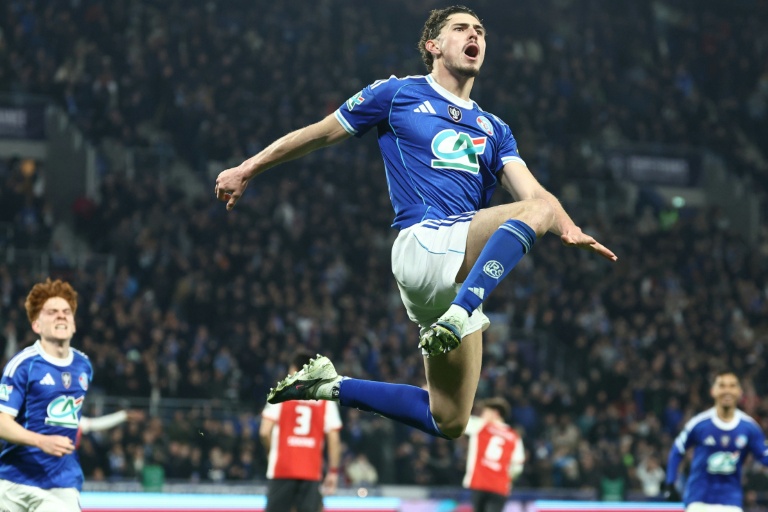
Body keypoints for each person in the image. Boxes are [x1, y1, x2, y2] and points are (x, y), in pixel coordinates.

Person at [216, 5, 616, 440]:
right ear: (434, 46)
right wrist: (248, 168)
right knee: (537, 210)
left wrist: (568, 228)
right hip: (424, 242)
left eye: (480, 31)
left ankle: (329, 385)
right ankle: (459, 313)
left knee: (450, 420)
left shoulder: (495, 129)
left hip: (454, 271)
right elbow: (319, 133)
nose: (474, 35)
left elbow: (532, 191)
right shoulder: (397, 93)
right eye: (461, 28)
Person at [0, 278, 93, 512]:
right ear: (36, 325)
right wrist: (41, 441)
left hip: (60, 484)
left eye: (66, 312)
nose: (61, 316)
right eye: (52, 312)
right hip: (13, 482)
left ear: (73, 325)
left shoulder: (84, 366)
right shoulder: (23, 365)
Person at [663, 371, 768, 511]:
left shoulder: (749, 427)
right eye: (722, 385)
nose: (727, 390)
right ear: (713, 391)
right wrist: (670, 483)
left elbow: (764, 456)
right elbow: (677, 450)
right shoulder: (699, 424)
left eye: (732, 386)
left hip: (730, 501)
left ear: (739, 392)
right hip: (698, 500)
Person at [259, 351, 342, 512]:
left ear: (295, 370)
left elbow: (264, 431)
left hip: (282, 470)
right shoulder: (324, 398)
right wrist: (333, 471)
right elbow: (334, 438)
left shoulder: (281, 393)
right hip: (311, 472)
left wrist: (271, 452)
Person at [463, 398, 524, 512]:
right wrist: (507, 479)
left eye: (485, 412)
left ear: (495, 413)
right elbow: (518, 467)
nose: (482, 415)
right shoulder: (514, 436)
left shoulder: (480, 425)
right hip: (500, 487)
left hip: (479, 482)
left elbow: (458, 421)